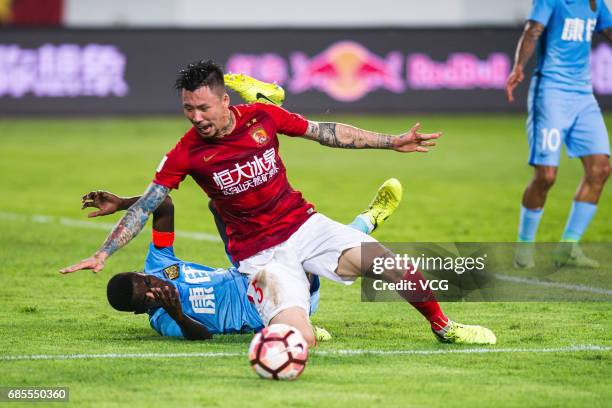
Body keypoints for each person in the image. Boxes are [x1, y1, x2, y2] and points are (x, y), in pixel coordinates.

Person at [62, 61, 496, 346]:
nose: (195, 117)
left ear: (224, 100)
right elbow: (149, 205)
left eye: (203, 108)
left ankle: (444, 327)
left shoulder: (261, 119)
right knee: (298, 337)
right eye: (187, 110)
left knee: (386, 263)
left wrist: (391, 141)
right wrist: (104, 252)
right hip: (260, 257)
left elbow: (326, 131)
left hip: (303, 224)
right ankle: (281, 347)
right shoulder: (186, 153)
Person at [90, 179, 400, 340]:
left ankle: (360, 228)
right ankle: (364, 224)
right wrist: (178, 314)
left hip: (243, 269)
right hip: (265, 299)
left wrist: (122, 204)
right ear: (140, 312)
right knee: (294, 254)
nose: (154, 289)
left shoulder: (158, 264)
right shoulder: (165, 322)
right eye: (147, 299)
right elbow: (202, 336)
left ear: (140, 272)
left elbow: (164, 205)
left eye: (146, 282)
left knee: (219, 205)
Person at [506, 0, 612, 268]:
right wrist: (519, 67)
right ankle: (524, 248)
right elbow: (532, 30)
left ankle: (568, 247)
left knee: (600, 169)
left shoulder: (595, 3)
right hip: (551, 93)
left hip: (583, 96)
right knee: (546, 176)